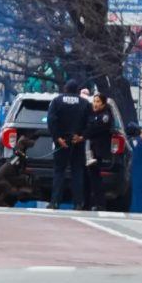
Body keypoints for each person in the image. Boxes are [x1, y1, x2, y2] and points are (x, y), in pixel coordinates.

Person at [46, 79, 90, 209]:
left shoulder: (57, 101)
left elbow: (51, 120)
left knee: (59, 171)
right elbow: (90, 122)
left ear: (65, 88)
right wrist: (81, 136)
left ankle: (54, 201)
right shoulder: (84, 103)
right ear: (77, 91)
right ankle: (78, 203)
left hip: (62, 142)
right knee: (77, 172)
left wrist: (57, 137)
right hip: (77, 142)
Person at [83, 92, 113, 211]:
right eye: (94, 101)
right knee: (89, 177)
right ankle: (88, 203)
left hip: (97, 152)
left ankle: (100, 204)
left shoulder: (105, 116)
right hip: (90, 150)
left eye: (98, 102)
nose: (95, 104)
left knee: (95, 178)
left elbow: (94, 128)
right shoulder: (93, 114)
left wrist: (83, 135)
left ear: (103, 103)